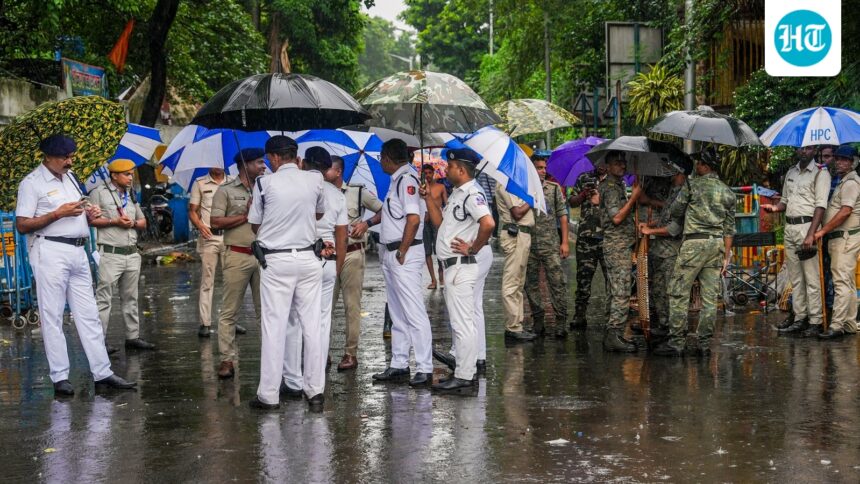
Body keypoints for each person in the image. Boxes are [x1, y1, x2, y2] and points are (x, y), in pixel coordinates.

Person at [15, 134, 136, 396]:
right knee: (53, 315)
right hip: (50, 250)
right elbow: (22, 225)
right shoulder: (32, 184)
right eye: (64, 157)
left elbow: (81, 209)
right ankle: (60, 376)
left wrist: (89, 213)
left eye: (71, 156)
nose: (70, 161)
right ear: (48, 157)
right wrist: (58, 213)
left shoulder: (70, 178)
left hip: (79, 250)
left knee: (89, 314)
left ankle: (102, 372)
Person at [247, 135, 326, 412]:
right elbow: (318, 214)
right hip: (308, 258)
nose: (267, 163)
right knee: (312, 326)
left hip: (276, 261)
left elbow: (255, 224)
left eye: (269, 159)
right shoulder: (315, 179)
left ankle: (269, 396)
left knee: (274, 327)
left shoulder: (263, 184)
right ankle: (315, 392)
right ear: (296, 156)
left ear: (276, 158)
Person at [423, 148, 494, 394]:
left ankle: (465, 377)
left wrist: (473, 248)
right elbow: (440, 224)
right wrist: (428, 200)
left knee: (463, 324)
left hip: (460, 267)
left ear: (461, 170)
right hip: (452, 267)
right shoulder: (457, 194)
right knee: (461, 323)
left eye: (450, 166)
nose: (446, 169)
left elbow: (488, 223)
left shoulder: (472, 194)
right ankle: (464, 371)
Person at [654, 148, 735, 357]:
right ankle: (704, 344)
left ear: (706, 166)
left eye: (698, 163)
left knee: (678, 292)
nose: (695, 166)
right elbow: (729, 229)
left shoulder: (692, 185)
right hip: (716, 245)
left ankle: (676, 343)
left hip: (693, 243)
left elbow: (675, 211)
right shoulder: (728, 192)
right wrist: (726, 255)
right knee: (709, 298)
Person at [369, 139, 433, 387]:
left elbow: (414, 220)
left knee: (413, 311)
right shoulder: (398, 180)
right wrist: (368, 223)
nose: (380, 161)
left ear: (387, 157)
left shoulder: (406, 181)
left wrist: (402, 250)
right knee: (397, 311)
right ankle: (399, 363)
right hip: (393, 251)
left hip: (403, 252)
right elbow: (391, 213)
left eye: (381, 157)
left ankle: (425, 367)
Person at [281, 147, 347, 390]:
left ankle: (293, 378)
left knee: (295, 320)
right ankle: (315, 377)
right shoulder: (337, 194)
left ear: (303, 162)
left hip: (302, 258)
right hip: (329, 261)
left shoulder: (296, 188)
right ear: (327, 168)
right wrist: (337, 266)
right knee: (321, 320)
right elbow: (342, 234)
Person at [209, 148, 267, 379]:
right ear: (246, 164)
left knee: (267, 312)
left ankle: (272, 360)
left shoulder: (267, 187)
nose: (264, 167)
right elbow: (214, 223)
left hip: (264, 256)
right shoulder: (225, 191)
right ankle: (227, 360)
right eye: (260, 163)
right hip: (237, 255)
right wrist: (246, 215)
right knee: (229, 311)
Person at [761, 145, 830, 336]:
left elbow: (820, 206)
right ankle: (800, 318)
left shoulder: (820, 174)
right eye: (801, 148)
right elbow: (785, 201)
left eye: (808, 149)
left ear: (814, 150)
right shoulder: (791, 171)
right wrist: (775, 209)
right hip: (790, 227)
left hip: (806, 227)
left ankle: (815, 320)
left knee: (812, 277)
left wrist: (811, 233)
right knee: (796, 278)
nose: (804, 152)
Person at [89, 158, 155, 354]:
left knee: (131, 298)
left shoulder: (131, 194)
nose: (130, 177)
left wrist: (132, 224)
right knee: (104, 300)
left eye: (131, 173)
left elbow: (143, 222)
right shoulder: (98, 194)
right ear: (114, 175)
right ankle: (99, 342)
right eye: (126, 174)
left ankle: (132, 337)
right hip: (110, 254)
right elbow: (91, 220)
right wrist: (114, 221)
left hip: (132, 254)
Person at [332, 157, 383, 371]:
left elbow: (384, 210)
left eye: (328, 168)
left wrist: (366, 223)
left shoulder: (357, 192)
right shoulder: (318, 193)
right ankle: (321, 353)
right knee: (324, 307)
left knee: (352, 306)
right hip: (327, 256)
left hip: (352, 254)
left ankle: (350, 354)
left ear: (338, 171)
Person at [639, 162, 691, 344]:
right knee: (658, 289)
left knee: (670, 291)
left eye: (675, 173)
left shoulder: (683, 194)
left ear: (682, 175)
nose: (672, 177)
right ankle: (664, 325)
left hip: (671, 251)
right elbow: (664, 218)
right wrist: (650, 225)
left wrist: (650, 231)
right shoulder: (674, 192)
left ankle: (674, 330)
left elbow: (674, 228)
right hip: (660, 251)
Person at [813, 145, 860, 340]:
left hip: (845, 237)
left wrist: (823, 230)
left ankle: (837, 325)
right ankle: (848, 323)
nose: (840, 162)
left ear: (852, 162)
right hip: (841, 237)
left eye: (844, 159)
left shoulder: (850, 183)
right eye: (838, 158)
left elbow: (845, 211)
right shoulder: (843, 181)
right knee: (846, 282)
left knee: (841, 281)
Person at [599, 152, 642, 352]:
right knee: (621, 290)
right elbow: (616, 218)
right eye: (617, 163)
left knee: (616, 290)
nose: (622, 166)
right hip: (616, 246)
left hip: (621, 244)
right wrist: (633, 198)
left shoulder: (616, 186)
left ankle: (612, 333)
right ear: (607, 166)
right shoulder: (609, 188)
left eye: (623, 163)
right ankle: (614, 334)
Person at [524, 155, 570, 338]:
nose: (543, 171)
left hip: (550, 244)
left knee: (557, 283)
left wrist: (564, 242)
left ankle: (561, 321)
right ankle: (538, 321)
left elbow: (563, 215)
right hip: (530, 245)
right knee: (531, 285)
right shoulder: (523, 189)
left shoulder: (553, 188)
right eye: (539, 168)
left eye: (544, 168)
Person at [189, 167, 231, 337]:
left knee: (232, 282)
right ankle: (205, 323)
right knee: (207, 281)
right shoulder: (200, 183)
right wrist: (199, 226)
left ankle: (231, 321)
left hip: (230, 237)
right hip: (209, 238)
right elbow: (192, 210)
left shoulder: (234, 181)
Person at [495, 182, 537, 343]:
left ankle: (516, 325)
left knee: (518, 283)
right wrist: (532, 199)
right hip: (515, 235)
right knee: (511, 283)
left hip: (523, 235)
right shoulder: (505, 185)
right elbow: (517, 213)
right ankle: (512, 327)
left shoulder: (516, 185)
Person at [568, 165, 608, 330]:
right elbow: (571, 202)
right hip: (586, 237)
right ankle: (579, 315)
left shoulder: (616, 182)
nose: (599, 164)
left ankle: (613, 318)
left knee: (612, 280)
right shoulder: (584, 178)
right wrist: (583, 195)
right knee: (583, 279)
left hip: (609, 238)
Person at [422, 164, 447, 289]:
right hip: (425, 221)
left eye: (429, 173)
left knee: (440, 250)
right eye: (425, 173)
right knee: (427, 251)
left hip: (438, 221)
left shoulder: (441, 187)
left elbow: (446, 205)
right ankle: (433, 280)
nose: (427, 175)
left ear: (433, 173)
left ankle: (441, 276)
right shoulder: (420, 188)